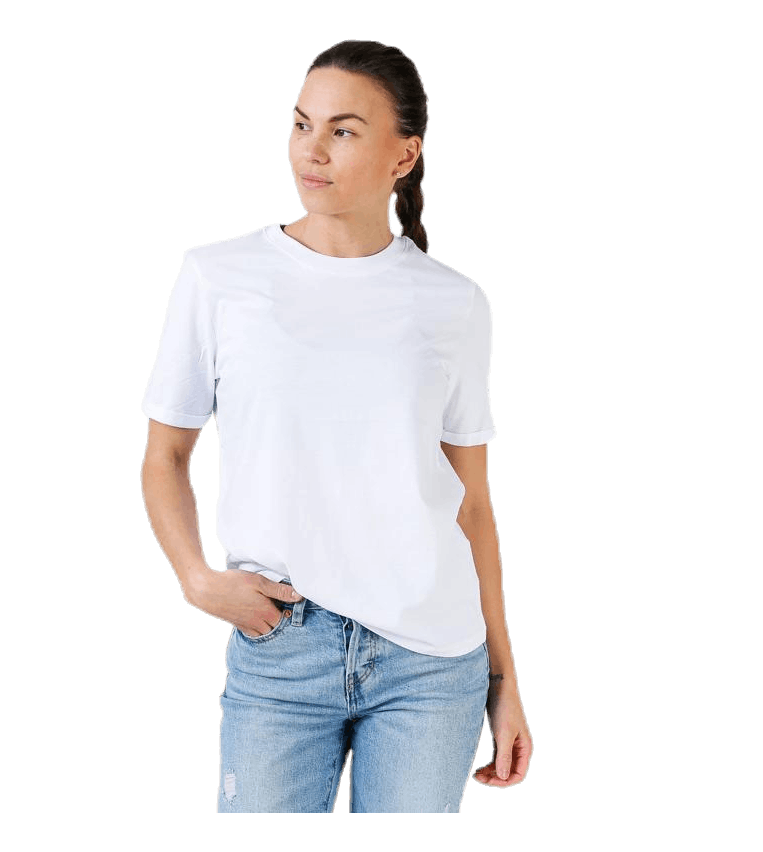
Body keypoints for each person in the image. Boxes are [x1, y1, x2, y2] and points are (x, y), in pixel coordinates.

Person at [140, 39, 532, 813]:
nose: (311, 150)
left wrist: (505, 679)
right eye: (301, 124)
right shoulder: (217, 277)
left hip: (431, 664)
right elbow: (166, 454)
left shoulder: (456, 303)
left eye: (343, 130)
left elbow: (473, 506)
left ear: (404, 156)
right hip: (279, 643)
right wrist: (196, 580)